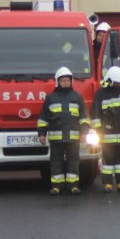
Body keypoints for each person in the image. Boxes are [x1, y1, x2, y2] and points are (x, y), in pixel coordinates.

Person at [37, 66, 92, 195]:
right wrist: (41, 134)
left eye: (68, 80)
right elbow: (43, 118)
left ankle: (73, 186)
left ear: (71, 81)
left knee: (73, 161)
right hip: (56, 139)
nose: (66, 83)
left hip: (73, 138)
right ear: (57, 82)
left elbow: (84, 117)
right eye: (63, 81)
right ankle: (57, 186)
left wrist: (84, 132)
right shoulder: (51, 98)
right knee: (56, 162)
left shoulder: (77, 97)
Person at [91, 66, 120, 192]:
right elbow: (95, 114)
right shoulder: (100, 94)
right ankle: (107, 184)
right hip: (106, 135)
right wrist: (99, 131)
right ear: (110, 80)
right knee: (107, 161)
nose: (119, 84)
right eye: (117, 82)